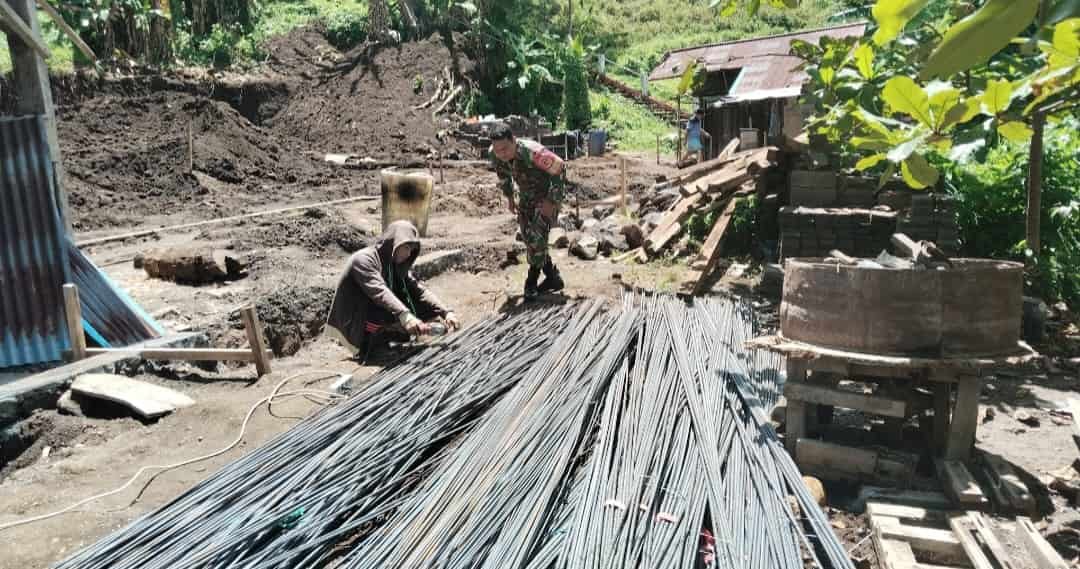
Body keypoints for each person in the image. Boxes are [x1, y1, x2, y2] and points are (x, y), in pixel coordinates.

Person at [326, 220, 459, 356]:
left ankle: (395, 332)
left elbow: (418, 290)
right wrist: (405, 316)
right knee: (389, 312)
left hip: (375, 310)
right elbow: (380, 292)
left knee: (417, 303)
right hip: (355, 319)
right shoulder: (363, 260)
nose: (408, 254)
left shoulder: (392, 263)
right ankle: (372, 345)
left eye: (411, 250)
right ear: (394, 242)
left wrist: (446, 312)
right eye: (406, 248)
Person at [489, 123, 567, 300]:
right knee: (528, 238)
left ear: (514, 141)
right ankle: (553, 277)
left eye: (505, 149)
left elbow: (560, 168)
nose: (501, 154)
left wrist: (551, 201)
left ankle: (530, 282)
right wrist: (509, 198)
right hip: (526, 198)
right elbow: (503, 176)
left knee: (536, 238)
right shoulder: (495, 154)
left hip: (546, 197)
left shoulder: (532, 152)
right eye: (497, 150)